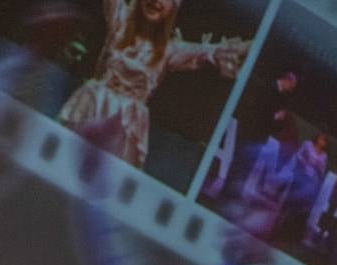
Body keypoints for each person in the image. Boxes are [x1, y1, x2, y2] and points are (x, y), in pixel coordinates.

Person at [58, 0, 250, 168]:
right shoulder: (121, 23)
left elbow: (213, 51)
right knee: (64, 159)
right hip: (94, 105)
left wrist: (252, 45)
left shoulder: (169, 50)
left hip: (125, 125)